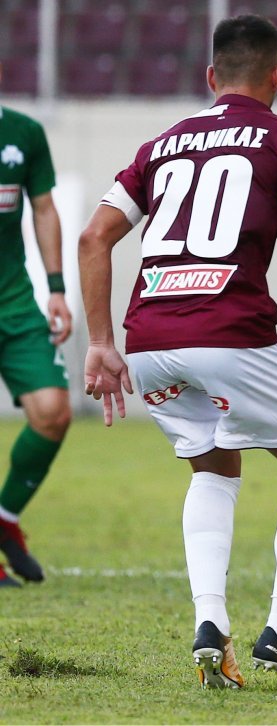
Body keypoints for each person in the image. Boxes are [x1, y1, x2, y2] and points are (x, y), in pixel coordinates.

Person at [79, 15, 277, 691]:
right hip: (229, 330)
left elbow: (93, 238)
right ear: (276, 76)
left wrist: (101, 342)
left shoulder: (160, 145)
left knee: (213, 468)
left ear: (210, 77)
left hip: (149, 340)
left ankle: (210, 626)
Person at [0, 61, 73, 588]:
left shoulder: (23, 132)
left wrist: (57, 288)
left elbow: (44, 209)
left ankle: (5, 519)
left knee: (52, 412)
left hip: (15, 303)